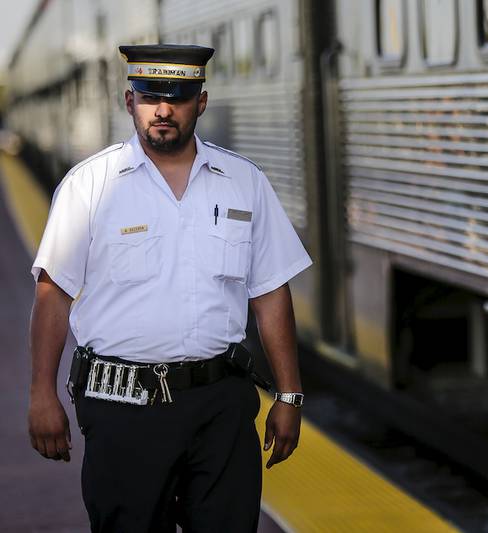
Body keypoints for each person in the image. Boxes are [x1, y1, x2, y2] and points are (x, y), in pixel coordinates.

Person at [27, 44, 312, 532]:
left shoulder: (243, 182)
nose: (162, 110)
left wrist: (289, 396)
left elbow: (270, 292)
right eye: (148, 97)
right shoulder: (90, 185)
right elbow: (54, 293)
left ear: (200, 103)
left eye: (177, 98)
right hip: (123, 411)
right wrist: (41, 394)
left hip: (220, 406)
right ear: (128, 100)